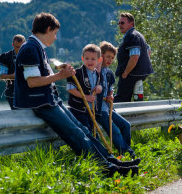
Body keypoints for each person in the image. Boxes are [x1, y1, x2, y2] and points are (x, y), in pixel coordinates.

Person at [13, 13, 139, 177]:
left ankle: (111, 161)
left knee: (83, 130)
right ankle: (107, 169)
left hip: (48, 100)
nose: (56, 38)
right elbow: (32, 82)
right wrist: (60, 76)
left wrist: (60, 72)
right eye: (55, 33)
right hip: (41, 102)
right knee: (76, 133)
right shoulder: (30, 48)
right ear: (48, 29)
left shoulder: (35, 47)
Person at [95, 41, 137, 157]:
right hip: (99, 109)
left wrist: (110, 94)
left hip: (108, 107)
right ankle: (126, 153)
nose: (110, 60)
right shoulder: (94, 71)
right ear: (101, 55)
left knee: (126, 125)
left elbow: (110, 88)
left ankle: (125, 151)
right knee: (115, 131)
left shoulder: (109, 73)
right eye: (107, 56)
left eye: (112, 58)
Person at [114, 12, 154, 102]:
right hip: (139, 74)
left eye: (122, 23)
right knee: (136, 101)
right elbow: (148, 50)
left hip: (130, 75)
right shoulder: (139, 35)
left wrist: (125, 73)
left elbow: (134, 56)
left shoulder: (131, 36)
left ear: (131, 23)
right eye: (119, 23)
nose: (120, 25)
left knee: (121, 101)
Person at [66, 44, 103, 135]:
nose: (89, 61)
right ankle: (90, 149)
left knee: (94, 131)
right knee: (86, 131)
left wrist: (99, 88)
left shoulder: (97, 74)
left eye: (93, 59)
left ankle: (97, 149)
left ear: (99, 60)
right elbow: (71, 89)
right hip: (78, 109)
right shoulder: (77, 73)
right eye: (87, 58)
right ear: (82, 59)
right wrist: (85, 97)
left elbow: (100, 86)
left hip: (91, 109)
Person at [0, 34, 26, 109]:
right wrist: (13, 76)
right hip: (12, 93)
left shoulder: (30, 55)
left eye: (22, 47)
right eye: (17, 47)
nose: (20, 49)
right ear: (12, 45)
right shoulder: (5, 57)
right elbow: (2, 76)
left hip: (29, 92)